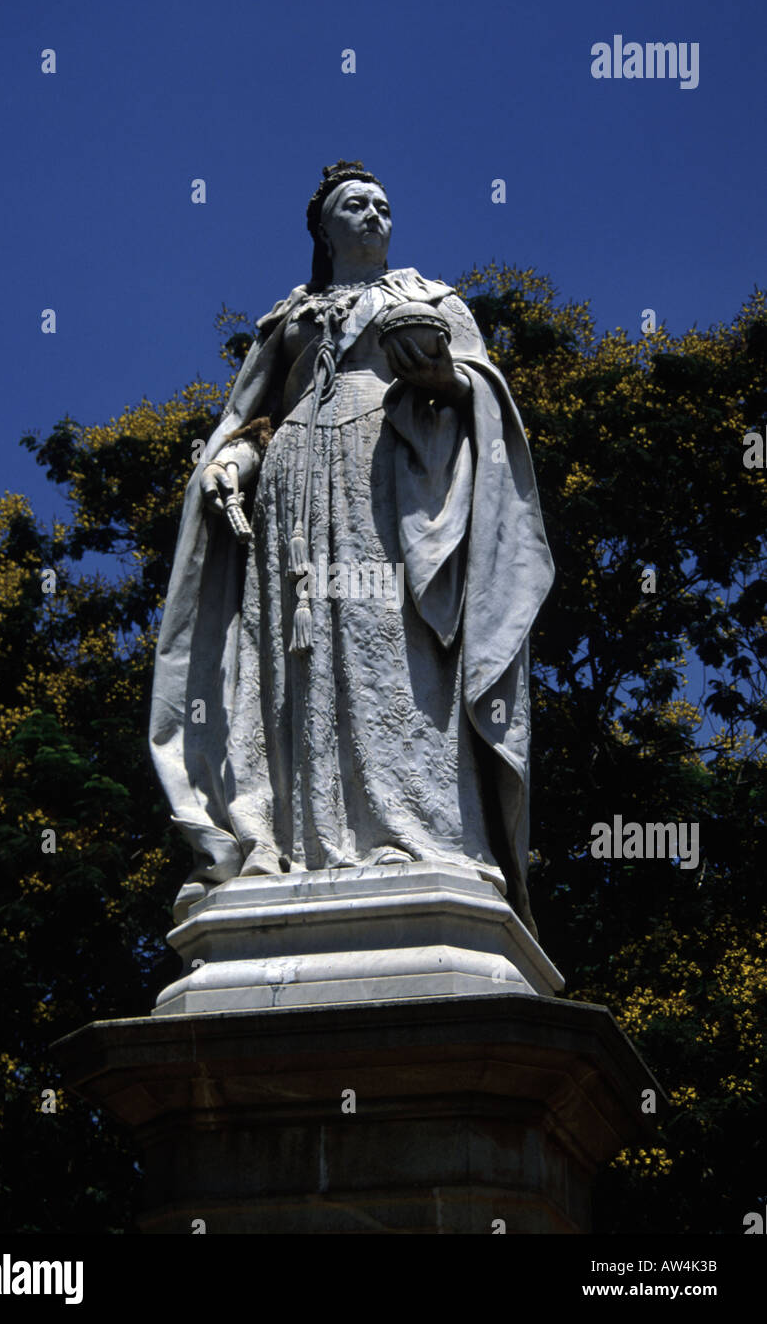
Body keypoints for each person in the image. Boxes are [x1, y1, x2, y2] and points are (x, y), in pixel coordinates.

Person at [149, 161, 554, 937]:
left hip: (391, 477)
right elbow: (252, 419)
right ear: (323, 228)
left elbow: (480, 393)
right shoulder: (288, 318)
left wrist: (441, 377)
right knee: (289, 665)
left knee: (388, 654)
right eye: (354, 205)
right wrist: (234, 460)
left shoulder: (430, 301)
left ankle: (419, 834)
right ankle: (286, 841)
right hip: (294, 490)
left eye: (382, 205)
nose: (373, 215)